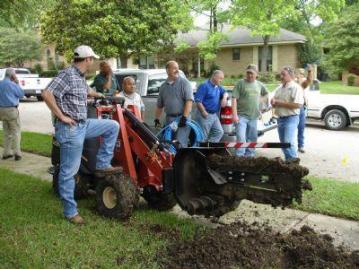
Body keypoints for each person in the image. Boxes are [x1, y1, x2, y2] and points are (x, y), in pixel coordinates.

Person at [42, 45, 121, 225]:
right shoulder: (67, 74)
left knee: (112, 126)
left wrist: (101, 95)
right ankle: (70, 211)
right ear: (87, 60)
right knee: (69, 172)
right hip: (70, 129)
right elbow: (46, 94)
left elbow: (86, 92)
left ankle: (102, 163)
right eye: (92, 59)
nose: (93, 62)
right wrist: (61, 116)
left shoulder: (80, 76)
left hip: (83, 124)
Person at [231, 64, 268, 157]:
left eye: (251, 73)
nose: (249, 75)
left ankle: (250, 156)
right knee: (241, 138)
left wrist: (261, 103)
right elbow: (234, 99)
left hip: (253, 117)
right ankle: (240, 157)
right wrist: (234, 115)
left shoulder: (259, 85)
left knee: (252, 138)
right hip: (241, 116)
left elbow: (266, 94)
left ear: (256, 74)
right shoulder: (240, 83)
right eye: (248, 73)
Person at [154, 61, 193, 148]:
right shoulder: (163, 86)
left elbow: (189, 101)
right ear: (167, 70)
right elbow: (159, 105)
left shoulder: (185, 83)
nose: (177, 70)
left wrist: (185, 117)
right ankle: (171, 161)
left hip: (182, 118)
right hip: (169, 119)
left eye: (177, 68)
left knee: (180, 143)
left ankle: (182, 161)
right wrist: (157, 119)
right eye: (174, 68)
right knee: (168, 144)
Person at [271, 66, 304, 162]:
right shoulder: (279, 88)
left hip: (291, 118)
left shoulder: (296, 87)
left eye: (284, 74)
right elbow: (275, 102)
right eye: (281, 74)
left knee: (287, 142)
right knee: (283, 144)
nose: (281, 76)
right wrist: (273, 103)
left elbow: (298, 105)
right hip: (280, 118)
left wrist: (278, 102)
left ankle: (294, 164)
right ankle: (289, 163)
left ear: (291, 76)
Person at [195, 70, 228, 142]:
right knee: (202, 137)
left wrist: (224, 98)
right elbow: (198, 101)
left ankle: (209, 148)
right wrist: (203, 112)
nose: (221, 81)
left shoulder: (218, 86)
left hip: (214, 115)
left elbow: (225, 92)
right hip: (204, 114)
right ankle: (201, 152)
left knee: (219, 132)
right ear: (214, 76)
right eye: (220, 78)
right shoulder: (204, 85)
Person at [0, 68, 24, 161]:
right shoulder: (13, 84)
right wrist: (17, 83)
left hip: (1, 110)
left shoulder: (0, 83)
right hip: (11, 110)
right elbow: (21, 94)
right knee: (16, 132)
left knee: (6, 132)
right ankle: (17, 153)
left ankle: (6, 153)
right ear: (12, 75)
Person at [296, 66, 313, 153]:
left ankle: (300, 145)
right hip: (293, 108)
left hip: (302, 107)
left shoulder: (303, 84)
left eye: (303, 74)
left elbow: (309, 80)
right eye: (300, 74)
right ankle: (291, 146)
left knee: (301, 127)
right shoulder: (293, 83)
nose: (301, 76)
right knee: (291, 128)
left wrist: (310, 71)